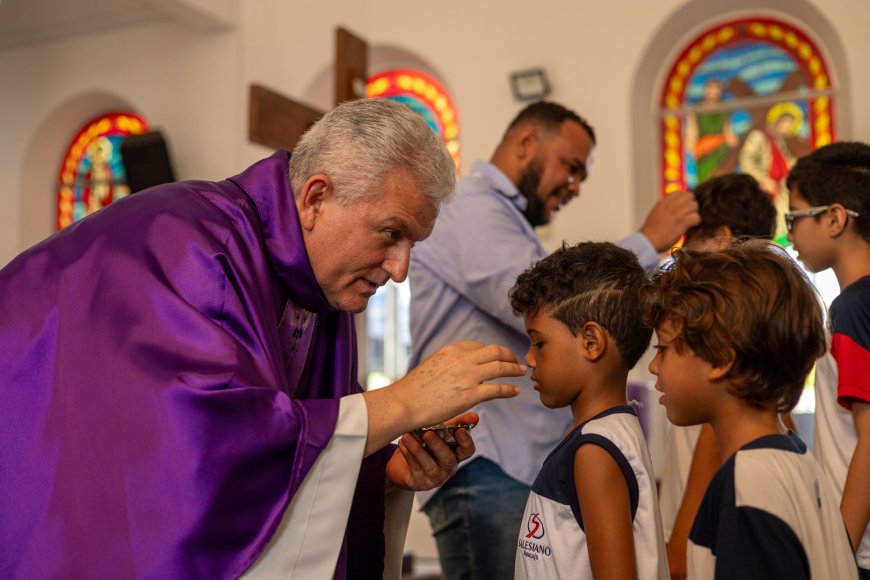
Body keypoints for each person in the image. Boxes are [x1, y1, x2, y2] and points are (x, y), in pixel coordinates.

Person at [0, 98, 528, 579]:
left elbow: (281, 448)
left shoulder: (320, 291)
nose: (399, 269)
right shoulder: (192, 245)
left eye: (413, 242)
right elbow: (200, 450)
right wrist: (403, 400)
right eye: (391, 233)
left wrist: (380, 472)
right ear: (316, 198)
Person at [409, 100, 698, 579]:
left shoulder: (601, 443)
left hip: (509, 460)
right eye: (571, 166)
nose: (575, 186)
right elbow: (541, 296)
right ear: (527, 143)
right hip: (485, 460)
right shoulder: (469, 205)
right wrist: (646, 242)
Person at [647, 241, 858, 578]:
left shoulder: (749, 485)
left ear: (720, 359)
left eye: (663, 349)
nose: (654, 367)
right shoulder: (794, 455)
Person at [509, 242, 668, 579]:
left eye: (539, 342)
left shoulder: (595, 449)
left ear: (591, 342)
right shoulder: (603, 434)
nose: (529, 359)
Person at [657, 172, 777, 580]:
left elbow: (684, 555)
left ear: (721, 239)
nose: (681, 257)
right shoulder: (768, 324)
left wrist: (675, 554)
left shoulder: (725, 361)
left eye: (688, 241)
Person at [786, 141, 870, 578]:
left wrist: (840, 550)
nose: (789, 233)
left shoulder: (853, 308)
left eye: (794, 216)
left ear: (835, 218)